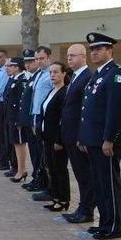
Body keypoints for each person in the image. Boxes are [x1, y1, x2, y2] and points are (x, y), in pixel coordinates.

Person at [78, 32, 121, 240]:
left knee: (109, 184)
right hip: (93, 140)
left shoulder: (116, 75)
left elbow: (115, 111)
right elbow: (88, 110)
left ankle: (113, 226)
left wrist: (109, 139)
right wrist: (84, 137)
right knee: (99, 184)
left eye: (99, 49)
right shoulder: (98, 75)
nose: (94, 53)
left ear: (110, 50)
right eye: (92, 49)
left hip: (105, 142)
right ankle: (104, 223)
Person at [60, 44, 95, 224]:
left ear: (83, 57)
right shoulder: (75, 77)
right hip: (70, 134)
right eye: (68, 56)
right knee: (80, 174)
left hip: (78, 136)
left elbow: (85, 111)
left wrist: (82, 136)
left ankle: (86, 210)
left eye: (73, 56)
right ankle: (82, 207)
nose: (69, 59)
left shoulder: (87, 77)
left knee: (85, 175)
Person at [40, 62, 70, 212]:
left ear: (64, 74)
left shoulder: (64, 93)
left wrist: (59, 139)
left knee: (60, 168)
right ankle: (55, 197)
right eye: (51, 72)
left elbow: (62, 119)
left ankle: (64, 199)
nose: (52, 75)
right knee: (51, 167)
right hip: (47, 136)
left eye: (56, 72)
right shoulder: (52, 91)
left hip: (57, 138)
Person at [28, 46, 53, 198]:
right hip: (35, 116)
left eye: (41, 58)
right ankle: (39, 179)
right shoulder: (38, 74)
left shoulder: (51, 74)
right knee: (37, 151)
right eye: (36, 59)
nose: (38, 61)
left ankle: (47, 184)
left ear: (49, 58)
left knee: (45, 153)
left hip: (45, 117)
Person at [3, 57, 30, 184]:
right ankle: (19, 169)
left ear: (17, 67)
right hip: (11, 116)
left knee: (19, 143)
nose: (7, 68)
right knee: (15, 143)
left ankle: (21, 170)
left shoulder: (22, 80)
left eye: (10, 66)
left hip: (17, 118)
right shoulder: (13, 79)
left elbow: (22, 102)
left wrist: (20, 119)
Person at [16, 50, 38, 184]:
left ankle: (38, 178)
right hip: (28, 121)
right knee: (33, 151)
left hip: (34, 121)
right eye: (26, 62)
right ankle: (36, 177)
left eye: (31, 61)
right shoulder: (31, 77)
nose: (28, 65)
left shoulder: (38, 77)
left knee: (38, 152)